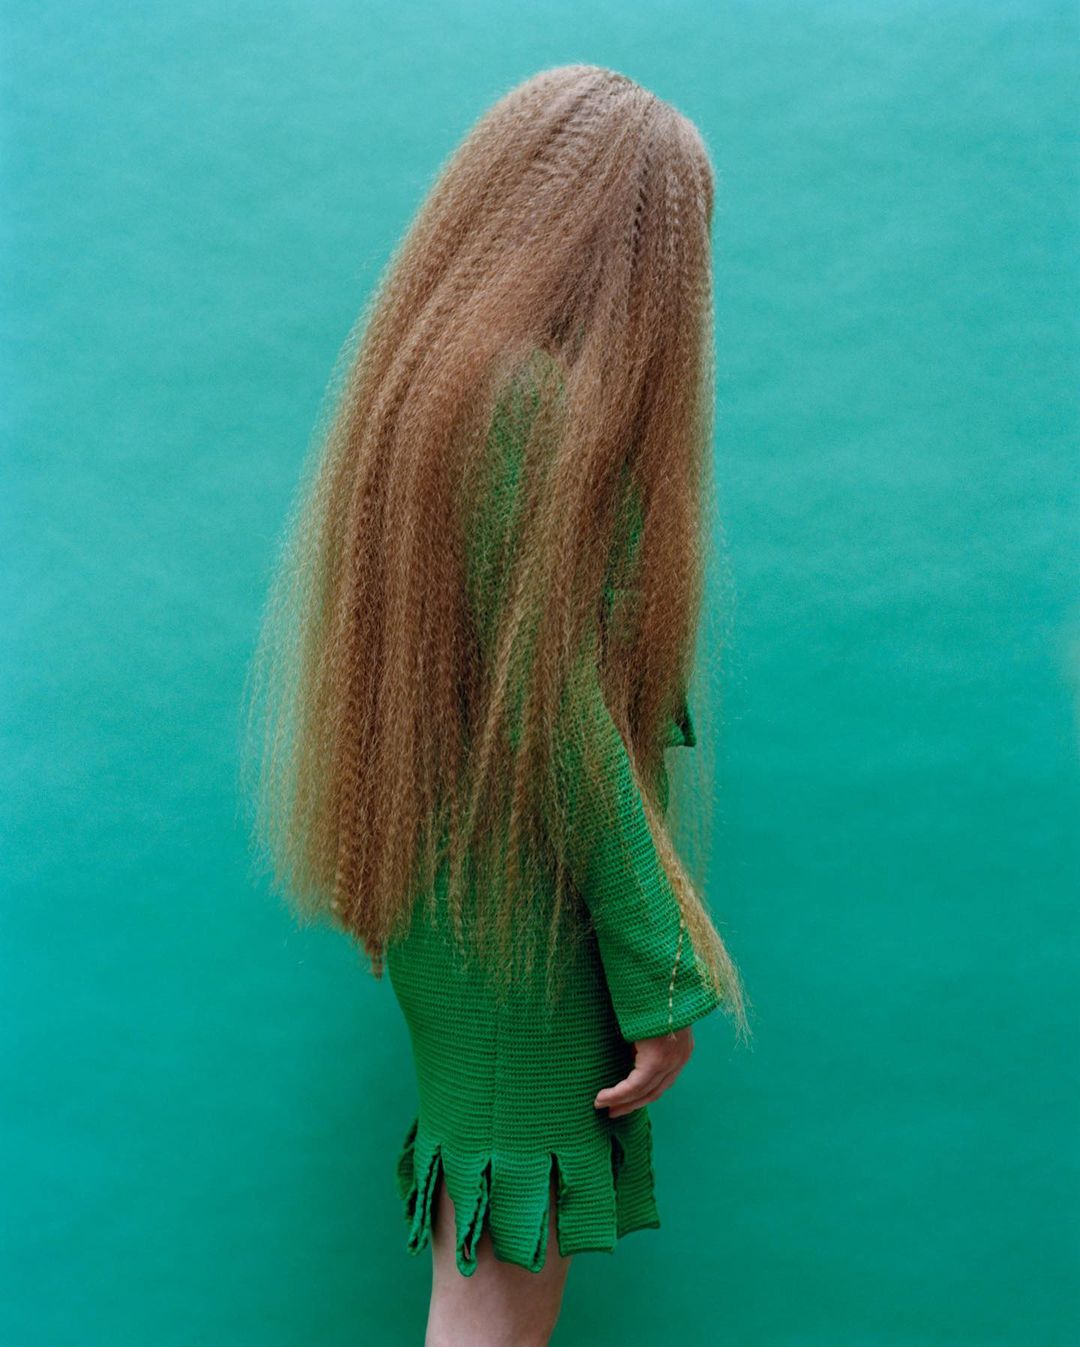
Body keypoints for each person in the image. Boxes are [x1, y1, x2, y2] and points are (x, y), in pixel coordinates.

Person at [241, 62, 748, 1347]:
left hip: (467, 908)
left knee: (484, 1300)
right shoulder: (521, 401)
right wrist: (661, 974)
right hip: (517, 922)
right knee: (490, 1319)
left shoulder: (441, 382)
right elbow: (558, 718)